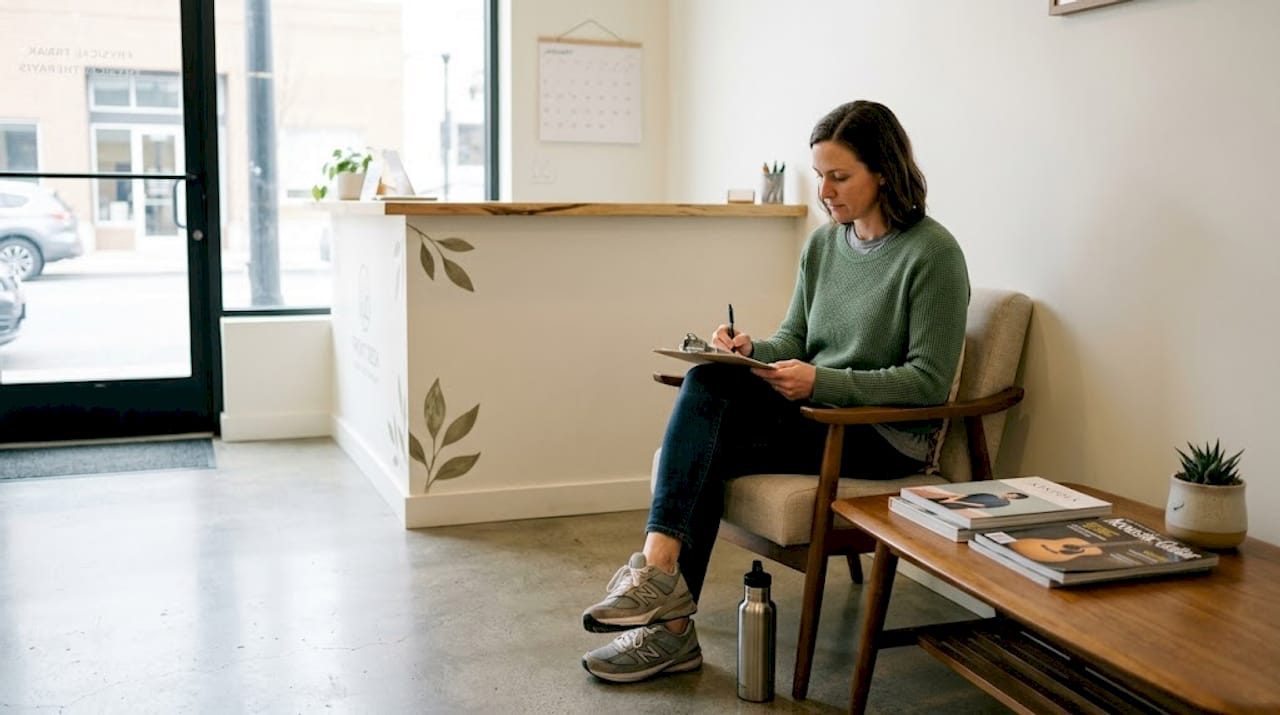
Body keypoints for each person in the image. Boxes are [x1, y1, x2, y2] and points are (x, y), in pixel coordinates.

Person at [580, 100, 970, 683]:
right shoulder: (824, 245)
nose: (825, 192)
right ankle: (667, 613)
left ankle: (662, 602)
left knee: (706, 420)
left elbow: (928, 382)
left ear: (884, 172)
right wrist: (749, 349)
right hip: (814, 416)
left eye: (840, 177)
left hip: (881, 437)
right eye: (819, 176)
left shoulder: (933, 254)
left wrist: (822, 380)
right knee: (710, 383)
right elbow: (795, 337)